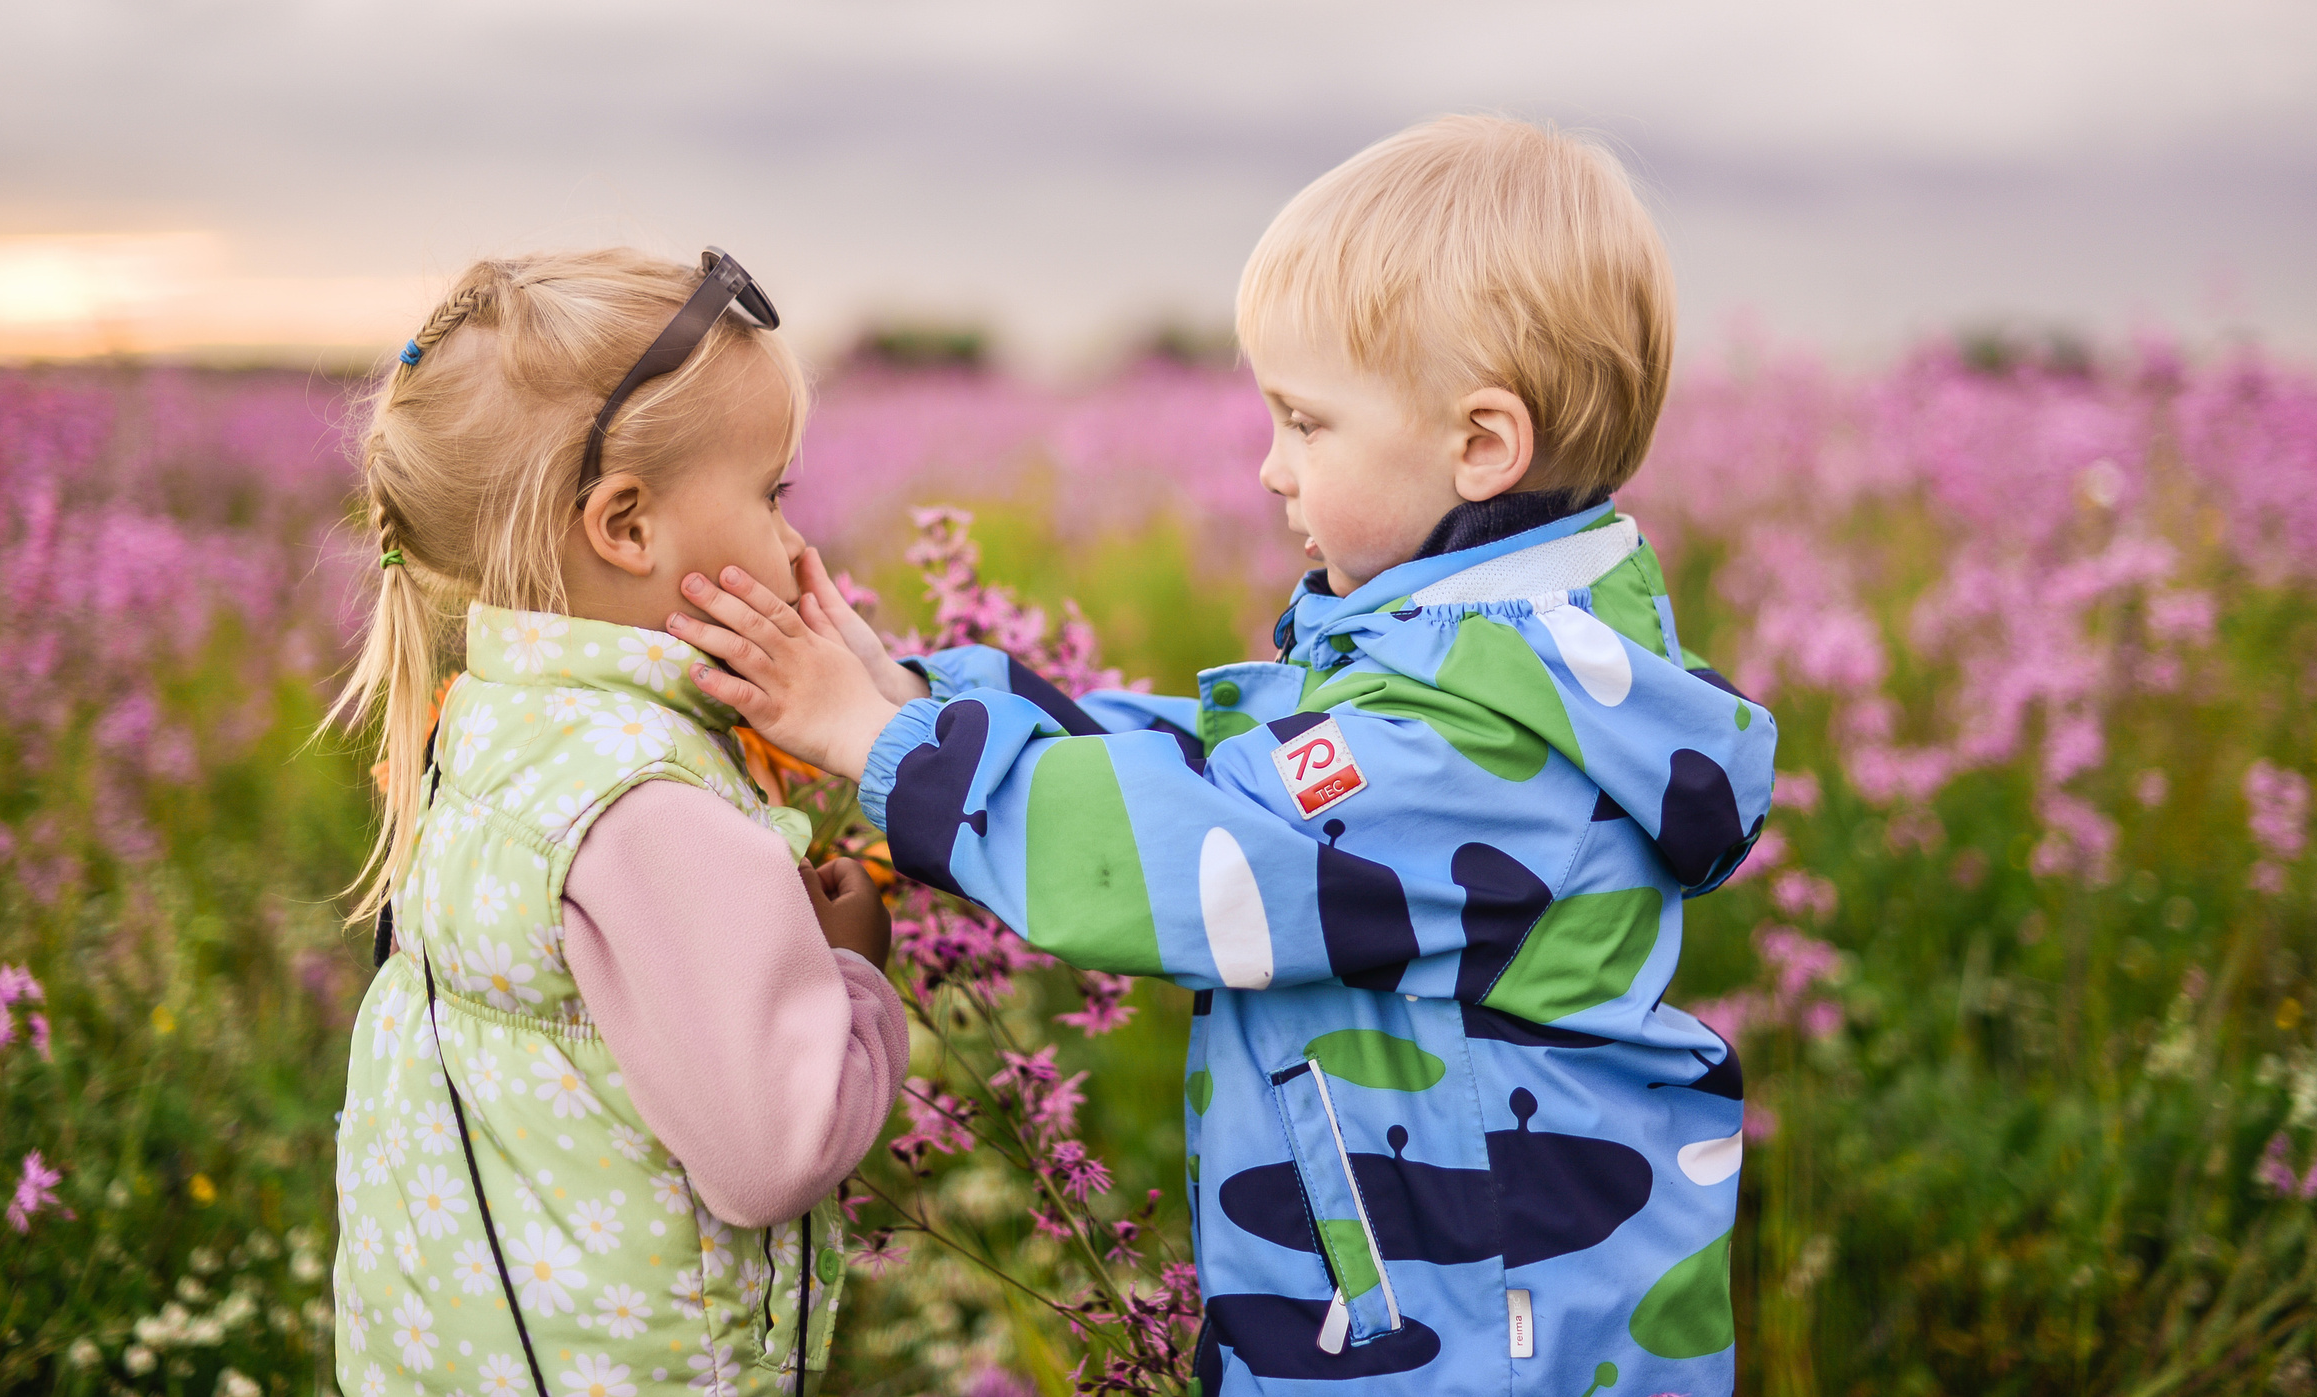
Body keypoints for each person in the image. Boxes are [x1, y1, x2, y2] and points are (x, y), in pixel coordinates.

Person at [673, 115, 1778, 1397]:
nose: (1268, 468)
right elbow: (1240, 766)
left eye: (1305, 422)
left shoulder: (1480, 734)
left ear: (1481, 444)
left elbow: (1213, 849)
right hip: (1429, 1309)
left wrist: (883, 748)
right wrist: (920, 702)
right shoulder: (1485, 661)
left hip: (1472, 1347)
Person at [325, 247, 907, 1397]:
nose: (799, 546)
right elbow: (773, 1152)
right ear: (628, 526)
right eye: (773, 494)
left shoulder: (487, 718)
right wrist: (850, 975)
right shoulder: (652, 804)